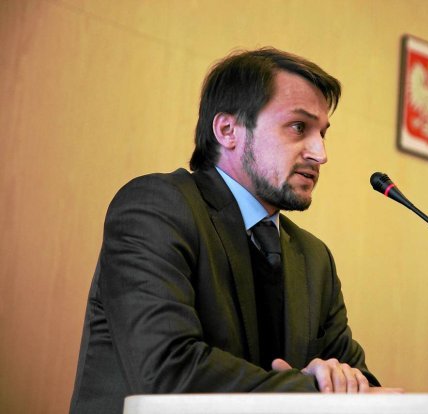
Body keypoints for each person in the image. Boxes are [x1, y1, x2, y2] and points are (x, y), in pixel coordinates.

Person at [70, 47, 386, 414]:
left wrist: (342, 381)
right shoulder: (156, 208)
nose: (320, 153)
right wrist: (310, 388)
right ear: (228, 130)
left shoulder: (315, 259)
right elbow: (168, 372)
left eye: (323, 134)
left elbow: (363, 386)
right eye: (299, 127)